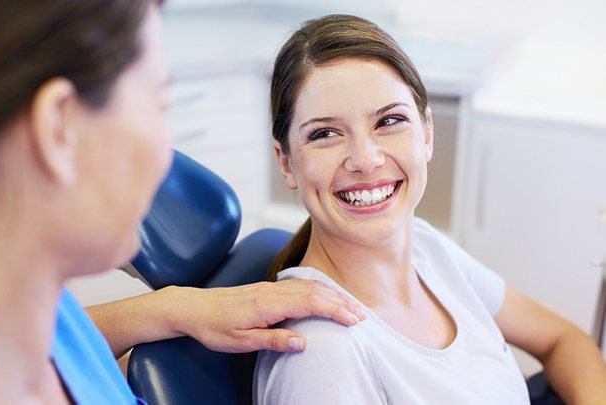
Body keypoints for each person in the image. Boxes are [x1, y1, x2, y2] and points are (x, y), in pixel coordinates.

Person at [0, 1, 367, 403]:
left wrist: (174, 309)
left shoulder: (36, 308)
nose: (167, 157)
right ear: (59, 129)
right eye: (158, 105)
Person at [254, 14, 606, 404]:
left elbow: (563, 341)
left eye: (389, 121)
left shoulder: (426, 249)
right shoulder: (324, 355)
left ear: (427, 134)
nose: (366, 159)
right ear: (286, 162)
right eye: (325, 134)